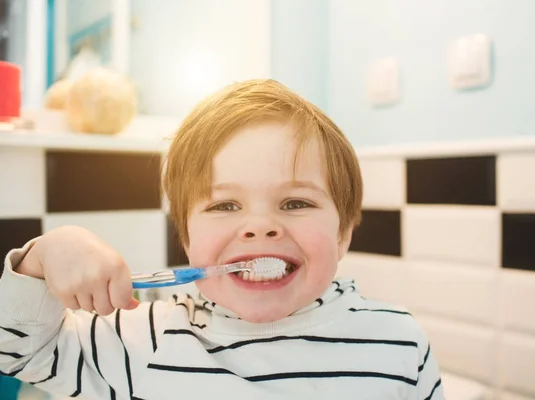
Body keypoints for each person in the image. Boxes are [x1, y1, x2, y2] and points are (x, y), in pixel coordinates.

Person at [0, 79, 444, 399]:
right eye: (225, 206)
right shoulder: (143, 339)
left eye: (294, 203)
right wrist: (44, 256)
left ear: (344, 232)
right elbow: (16, 355)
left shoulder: (397, 343)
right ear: (187, 238)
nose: (259, 227)